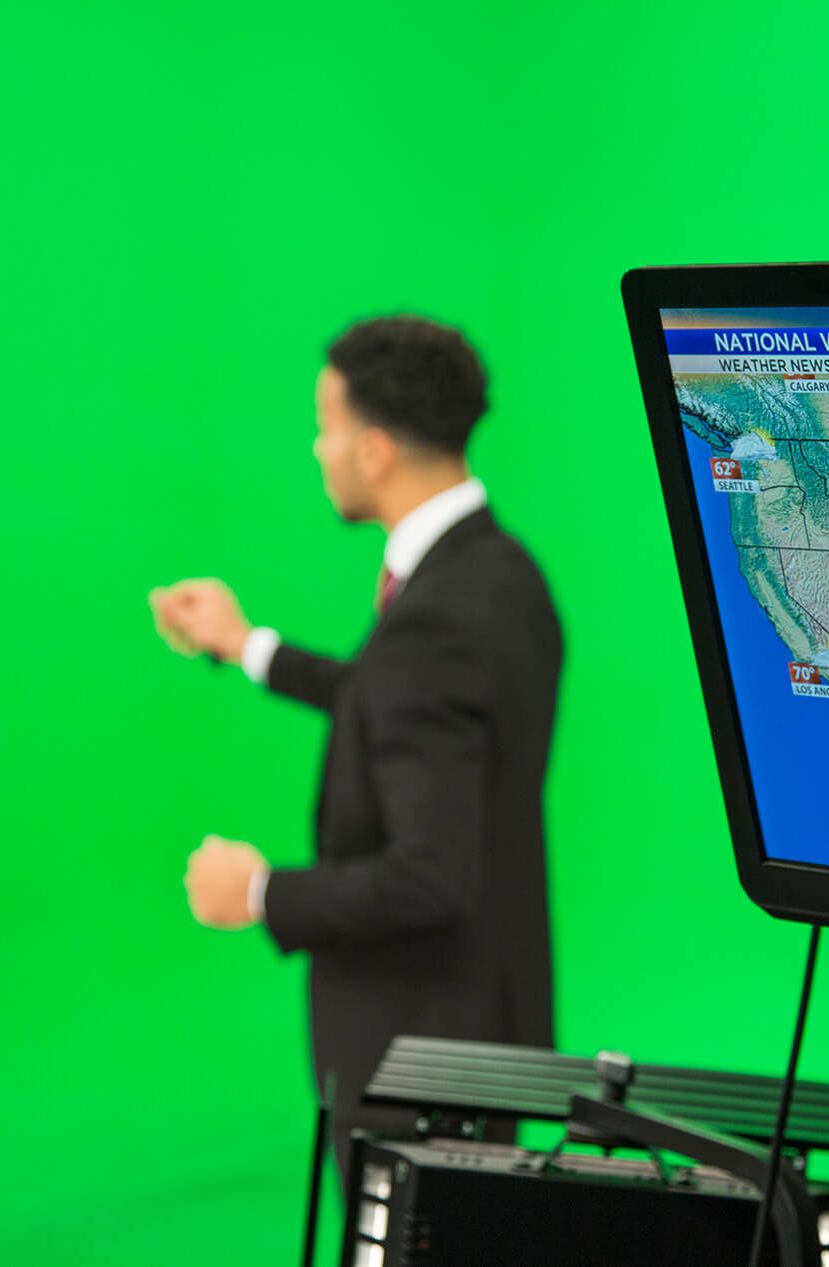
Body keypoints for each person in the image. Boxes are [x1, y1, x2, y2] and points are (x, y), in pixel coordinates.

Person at [151, 315, 563, 1183]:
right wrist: (244, 643)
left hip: (418, 1052)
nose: (318, 449)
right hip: (480, 1022)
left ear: (374, 449)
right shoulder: (502, 576)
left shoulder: (437, 619)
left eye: (326, 427)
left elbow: (428, 874)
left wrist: (261, 893)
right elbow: (396, 707)